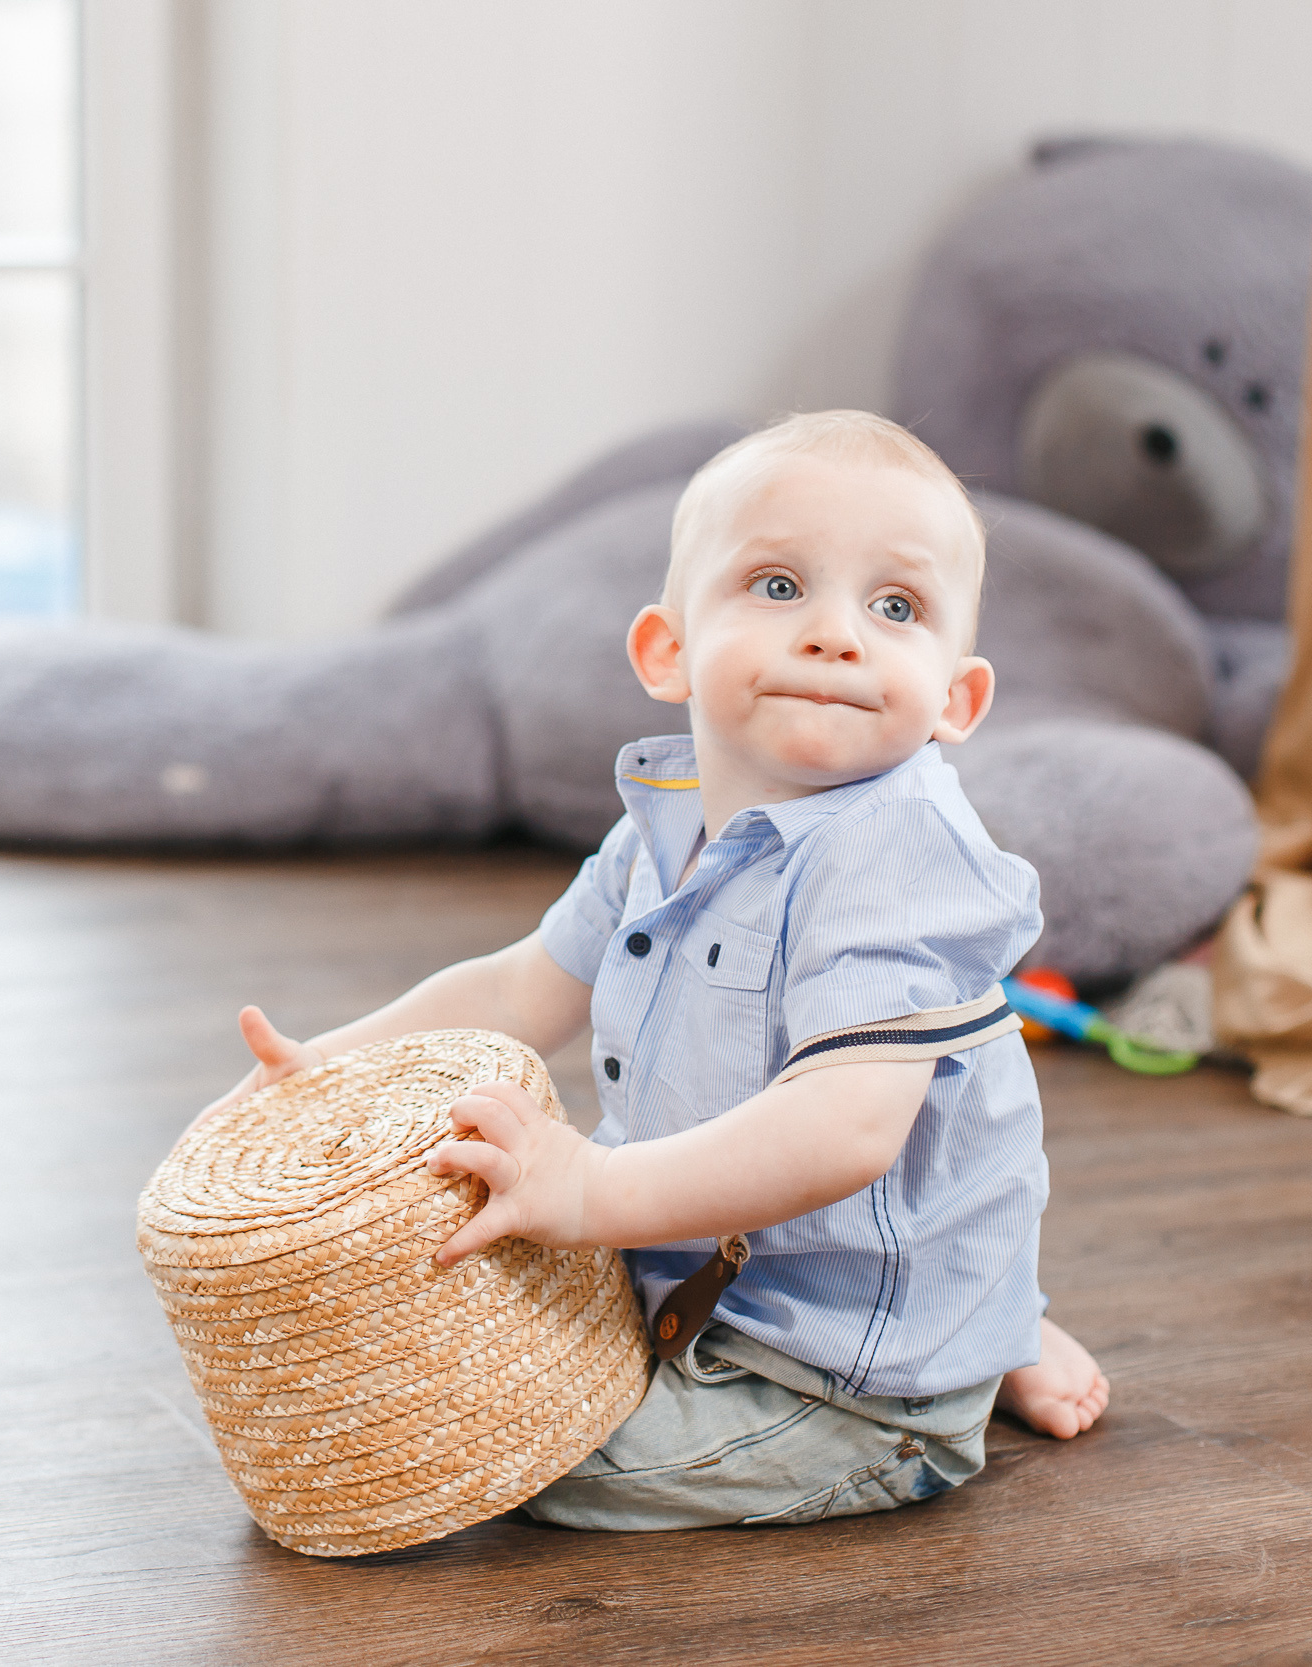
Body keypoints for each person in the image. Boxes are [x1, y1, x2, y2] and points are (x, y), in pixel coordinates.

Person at [199, 410, 1108, 1529]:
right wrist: (328, 1064)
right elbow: (515, 989)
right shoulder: (666, 826)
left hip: (831, 1367)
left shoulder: (898, 862)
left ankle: (940, 1388)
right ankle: (989, 1319)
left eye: (895, 606)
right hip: (703, 1268)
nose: (836, 634)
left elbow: (846, 1131)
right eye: (778, 586)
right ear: (665, 649)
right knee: (498, 1320)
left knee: (499, 1448)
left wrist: (588, 1191)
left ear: (956, 700)